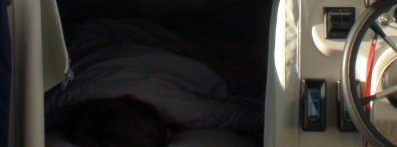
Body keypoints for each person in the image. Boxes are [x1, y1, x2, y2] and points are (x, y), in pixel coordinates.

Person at [44, 18, 263, 147]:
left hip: (105, 41)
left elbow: (246, 116)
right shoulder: (58, 103)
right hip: (91, 49)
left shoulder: (182, 107)